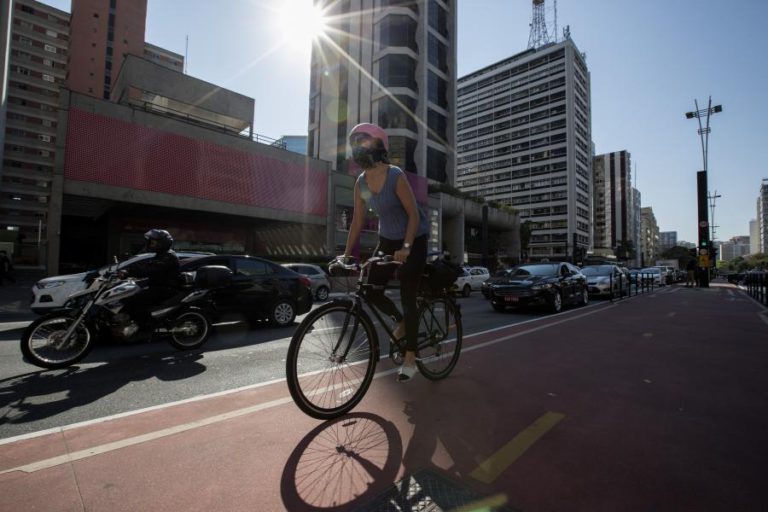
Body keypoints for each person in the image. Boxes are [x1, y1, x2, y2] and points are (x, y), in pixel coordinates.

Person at [343, 123, 429, 382]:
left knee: (407, 292)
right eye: (355, 141)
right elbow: (357, 221)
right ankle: (400, 321)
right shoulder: (362, 182)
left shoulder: (395, 175)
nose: (359, 146)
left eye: (364, 140)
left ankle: (411, 357)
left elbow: (413, 215)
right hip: (387, 239)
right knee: (370, 287)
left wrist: (406, 248)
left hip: (414, 237)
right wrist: (346, 255)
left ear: (379, 145)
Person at [120, 229, 180, 333]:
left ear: (162, 243)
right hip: (156, 287)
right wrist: (128, 270)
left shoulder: (168, 257)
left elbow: (150, 270)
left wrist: (129, 272)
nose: (151, 244)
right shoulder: (159, 256)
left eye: (153, 242)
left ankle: (145, 327)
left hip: (165, 289)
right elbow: (144, 266)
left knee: (135, 300)